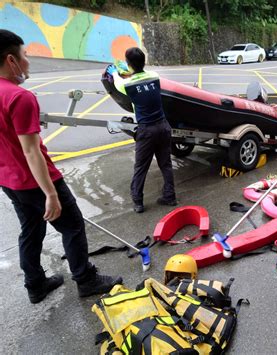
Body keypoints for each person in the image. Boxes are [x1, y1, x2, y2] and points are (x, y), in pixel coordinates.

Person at [0, 30, 122, 304]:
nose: (28, 63)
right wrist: (51, 194)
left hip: (9, 181)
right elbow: (31, 151)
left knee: (31, 229)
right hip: (36, 181)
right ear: (11, 60)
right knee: (73, 226)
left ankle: (35, 285)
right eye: (25, 56)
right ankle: (86, 280)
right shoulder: (19, 97)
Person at [109, 47, 177, 213]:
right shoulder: (154, 77)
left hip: (146, 131)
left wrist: (115, 71)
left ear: (129, 64)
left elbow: (117, 80)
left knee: (141, 167)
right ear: (144, 61)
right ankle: (170, 196)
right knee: (165, 164)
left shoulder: (127, 83)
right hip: (163, 126)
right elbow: (139, 77)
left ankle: (138, 202)